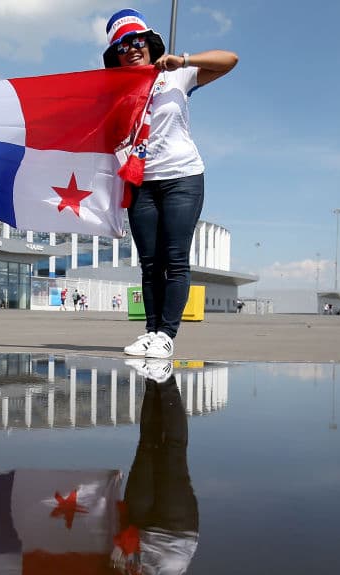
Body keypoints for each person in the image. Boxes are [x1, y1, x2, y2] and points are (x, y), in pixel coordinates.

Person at [108, 10, 238, 359]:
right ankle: (150, 332)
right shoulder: (115, 91)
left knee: (175, 258)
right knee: (150, 263)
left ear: (148, 43)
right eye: (122, 46)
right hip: (141, 183)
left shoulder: (176, 74)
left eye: (137, 41)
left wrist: (182, 60)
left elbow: (230, 60)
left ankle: (166, 335)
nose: (131, 49)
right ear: (115, 55)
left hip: (182, 177)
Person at [102, 372, 226, 575]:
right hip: (176, 533)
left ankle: (152, 379)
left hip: (138, 526)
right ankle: (167, 380)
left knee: (146, 444)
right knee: (172, 448)